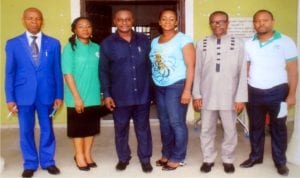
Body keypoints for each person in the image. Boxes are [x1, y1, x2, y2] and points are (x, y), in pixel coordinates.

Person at [4, 7, 63, 178]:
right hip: (23, 95)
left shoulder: (53, 43)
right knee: (25, 130)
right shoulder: (13, 43)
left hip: (47, 93)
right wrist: (10, 98)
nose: (34, 21)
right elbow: (9, 73)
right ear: (23, 20)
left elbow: (57, 71)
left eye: (37, 18)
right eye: (30, 18)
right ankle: (30, 163)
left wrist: (59, 95)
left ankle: (48, 162)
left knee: (47, 129)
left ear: (42, 21)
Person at [240, 9, 298, 176]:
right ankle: (256, 156)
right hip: (253, 91)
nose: (261, 23)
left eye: (265, 20)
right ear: (254, 24)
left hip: (278, 91)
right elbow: (246, 68)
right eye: (257, 21)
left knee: (278, 127)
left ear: (272, 21)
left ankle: (280, 162)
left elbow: (293, 70)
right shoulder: (248, 42)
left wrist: (292, 94)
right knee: (255, 126)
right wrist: (242, 91)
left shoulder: (286, 41)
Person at [192, 11, 247, 174]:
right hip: (207, 95)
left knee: (230, 130)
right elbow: (197, 71)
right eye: (214, 22)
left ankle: (228, 159)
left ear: (227, 23)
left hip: (229, 96)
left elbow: (242, 72)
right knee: (206, 129)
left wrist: (241, 97)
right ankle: (208, 159)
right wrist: (197, 95)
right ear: (210, 24)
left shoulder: (238, 43)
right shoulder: (201, 43)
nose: (218, 25)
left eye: (221, 22)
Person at [99, 9, 153, 173]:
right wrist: (106, 94)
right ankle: (123, 158)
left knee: (143, 129)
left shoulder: (144, 40)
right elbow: (103, 71)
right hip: (119, 96)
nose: (124, 23)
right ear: (115, 21)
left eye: (127, 19)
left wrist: (152, 92)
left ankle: (145, 159)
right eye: (120, 20)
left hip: (142, 95)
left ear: (132, 21)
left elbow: (150, 67)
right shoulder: (107, 43)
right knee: (120, 129)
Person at [149, 9, 195, 171]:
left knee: (176, 122)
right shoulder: (155, 42)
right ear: (160, 22)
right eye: (164, 19)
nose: (167, 21)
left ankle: (178, 157)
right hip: (159, 86)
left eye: (171, 19)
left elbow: (191, 67)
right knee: (164, 123)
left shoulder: (183, 39)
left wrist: (187, 90)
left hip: (176, 85)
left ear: (176, 22)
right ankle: (167, 153)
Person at [61, 17, 101, 171]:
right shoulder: (70, 48)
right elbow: (67, 73)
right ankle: (79, 155)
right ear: (75, 30)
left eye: (88, 26)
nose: (85, 29)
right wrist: (77, 97)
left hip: (94, 94)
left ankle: (87, 154)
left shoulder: (97, 48)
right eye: (81, 26)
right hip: (76, 95)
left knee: (91, 128)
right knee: (78, 128)